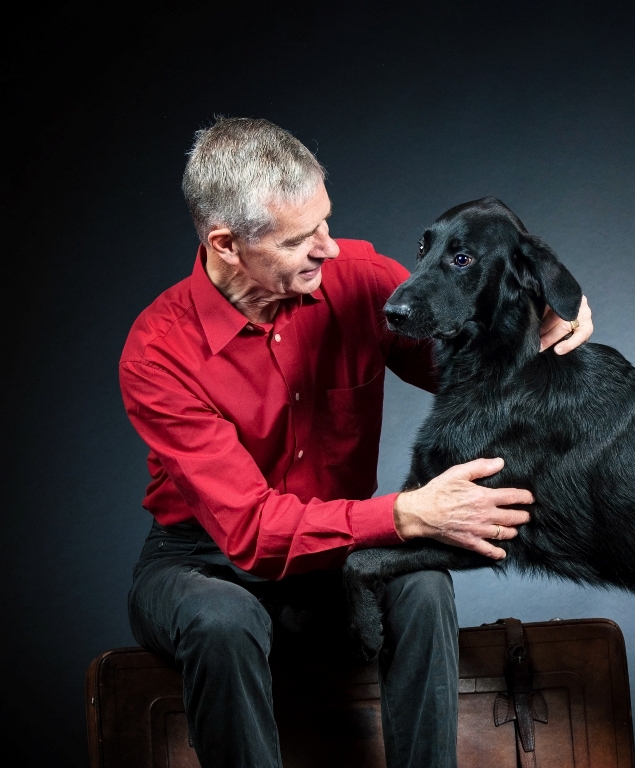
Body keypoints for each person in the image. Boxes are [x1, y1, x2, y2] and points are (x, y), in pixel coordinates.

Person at [119, 116, 593, 768]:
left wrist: (543, 316)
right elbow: (250, 531)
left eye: (325, 223)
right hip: (201, 562)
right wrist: (405, 513)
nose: (328, 249)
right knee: (221, 623)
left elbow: (473, 372)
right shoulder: (159, 350)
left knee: (422, 581)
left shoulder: (362, 279)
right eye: (298, 238)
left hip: (337, 555)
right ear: (227, 245)